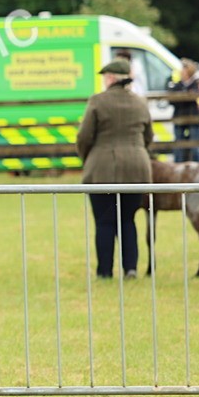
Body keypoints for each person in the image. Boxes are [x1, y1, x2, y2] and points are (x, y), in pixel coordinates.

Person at [77, 59, 153, 279]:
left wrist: (89, 157)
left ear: (110, 78)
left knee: (104, 221)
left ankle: (105, 271)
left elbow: (84, 137)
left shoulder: (97, 102)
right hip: (137, 170)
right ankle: (130, 268)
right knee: (128, 219)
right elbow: (149, 137)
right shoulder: (140, 103)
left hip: (102, 170)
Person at [167, 59, 199, 163]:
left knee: (195, 146)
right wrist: (186, 97)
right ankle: (178, 168)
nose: (181, 72)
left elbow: (195, 98)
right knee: (178, 146)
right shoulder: (177, 85)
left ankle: (197, 166)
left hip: (193, 117)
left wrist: (182, 97)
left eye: (184, 70)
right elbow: (171, 100)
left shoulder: (196, 84)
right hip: (179, 117)